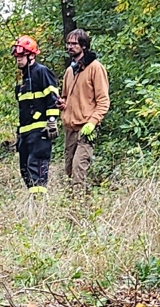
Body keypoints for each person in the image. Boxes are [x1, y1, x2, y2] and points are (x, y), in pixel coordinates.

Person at [58, 28, 110, 191]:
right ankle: (74, 207)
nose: (70, 46)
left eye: (74, 43)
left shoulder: (95, 68)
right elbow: (66, 97)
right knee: (68, 171)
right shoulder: (69, 71)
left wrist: (93, 123)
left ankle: (78, 212)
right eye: (68, 43)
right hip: (70, 129)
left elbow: (103, 100)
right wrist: (62, 104)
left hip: (86, 128)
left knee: (78, 170)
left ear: (84, 46)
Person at [11, 36, 60, 195]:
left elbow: (52, 99)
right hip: (26, 134)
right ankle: (34, 203)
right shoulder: (23, 79)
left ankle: (40, 206)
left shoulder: (42, 72)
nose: (18, 60)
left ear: (31, 55)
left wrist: (52, 121)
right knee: (25, 169)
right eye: (17, 57)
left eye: (21, 56)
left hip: (40, 132)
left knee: (36, 167)